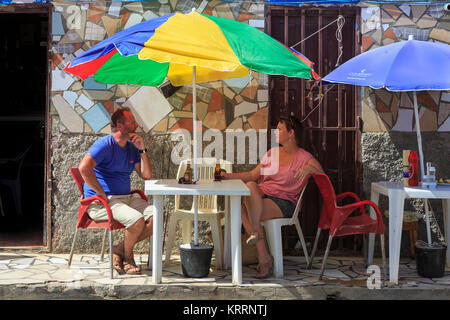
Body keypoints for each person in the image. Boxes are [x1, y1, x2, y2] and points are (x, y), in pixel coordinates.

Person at [221, 115, 324, 278]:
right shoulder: (272, 153)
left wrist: (311, 169)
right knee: (250, 187)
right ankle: (262, 251)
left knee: (243, 210)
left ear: (291, 133)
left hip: (285, 202)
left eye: (280, 129)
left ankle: (262, 254)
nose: (275, 132)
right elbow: (252, 175)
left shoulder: (304, 157)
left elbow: (322, 175)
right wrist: (227, 176)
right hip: (263, 196)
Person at [78, 107, 153, 275]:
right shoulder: (104, 144)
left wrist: (142, 149)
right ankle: (128, 257)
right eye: (132, 122)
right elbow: (84, 168)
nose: (136, 125)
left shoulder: (132, 147)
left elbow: (146, 175)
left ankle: (119, 250)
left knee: (156, 218)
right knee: (137, 220)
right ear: (120, 125)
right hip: (102, 202)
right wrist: (101, 193)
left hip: (125, 198)